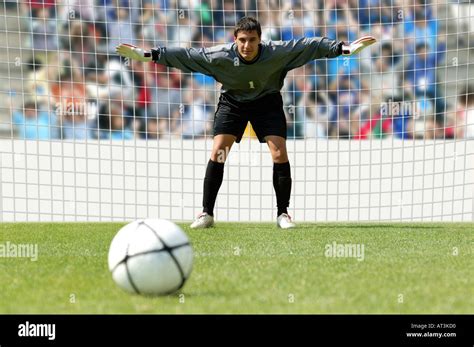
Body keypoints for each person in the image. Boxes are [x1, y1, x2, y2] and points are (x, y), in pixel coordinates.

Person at [116, 16, 376, 229]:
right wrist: (150, 54)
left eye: (252, 40)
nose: (247, 45)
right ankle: (206, 213)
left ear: (260, 40)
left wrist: (343, 48)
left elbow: (309, 46)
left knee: (278, 151)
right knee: (219, 150)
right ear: (235, 40)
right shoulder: (219, 56)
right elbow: (186, 55)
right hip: (233, 103)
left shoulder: (277, 53)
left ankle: (283, 214)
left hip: (267, 101)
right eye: (242, 40)